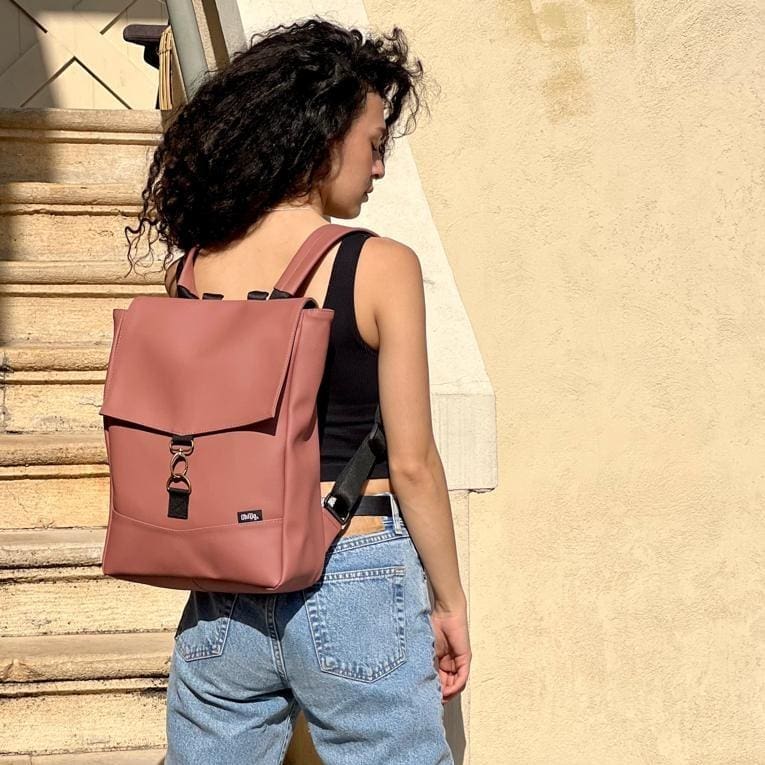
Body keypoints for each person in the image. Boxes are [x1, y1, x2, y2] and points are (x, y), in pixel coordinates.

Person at [126, 16, 470, 764]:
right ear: (322, 138)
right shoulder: (379, 266)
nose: (379, 167)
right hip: (353, 567)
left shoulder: (192, 269)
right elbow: (413, 463)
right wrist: (449, 601)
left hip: (224, 584)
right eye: (374, 142)